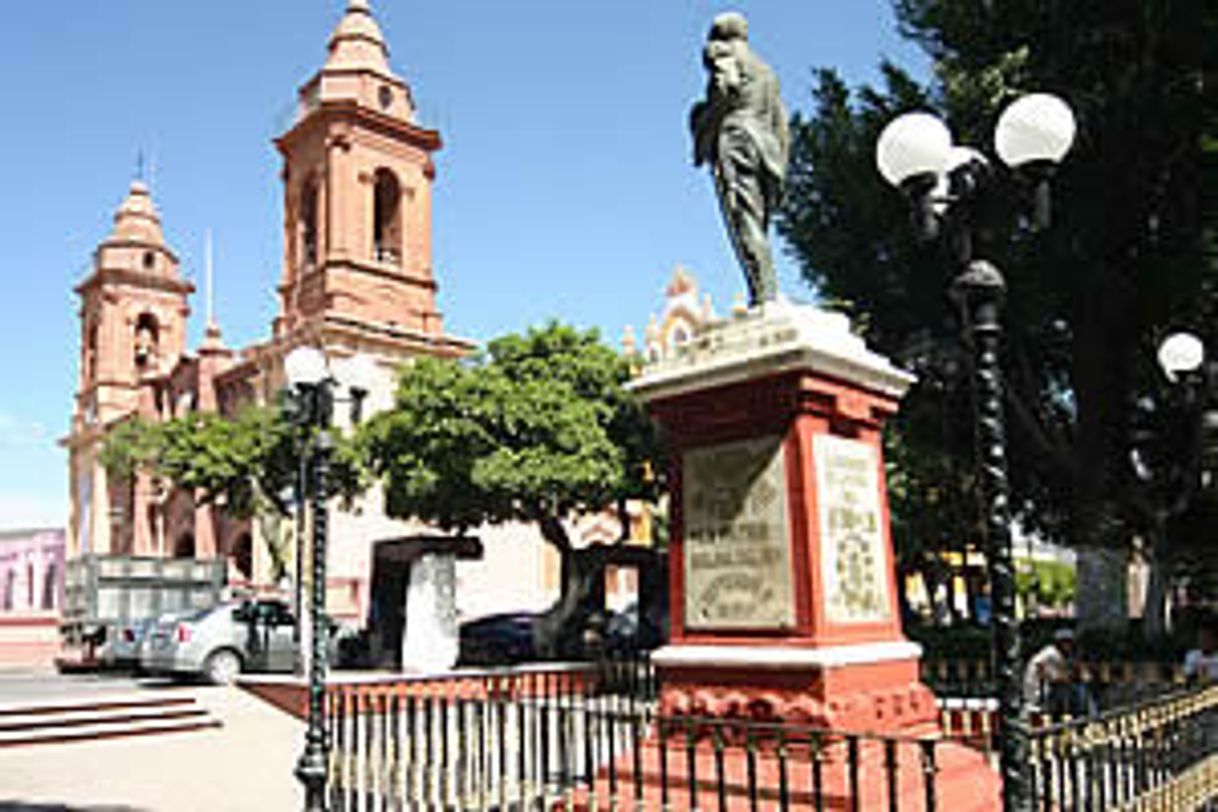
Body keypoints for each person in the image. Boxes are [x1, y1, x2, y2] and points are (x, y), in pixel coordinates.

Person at [689, 12, 789, 306]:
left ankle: (764, 295)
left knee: (743, 218)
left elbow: (726, 89)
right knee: (759, 221)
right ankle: (768, 290)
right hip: (766, 145)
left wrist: (702, 118)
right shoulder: (766, 72)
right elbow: (781, 121)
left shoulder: (726, 56)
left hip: (737, 139)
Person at [1024, 628, 1092, 715]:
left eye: (1069, 642)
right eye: (1064, 642)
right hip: (1038, 687)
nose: (1067, 645)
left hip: (1050, 685)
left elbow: (1075, 668)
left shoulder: (1066, 655)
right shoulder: (1050, 652)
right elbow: (1039, 666)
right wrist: (1055, 677)